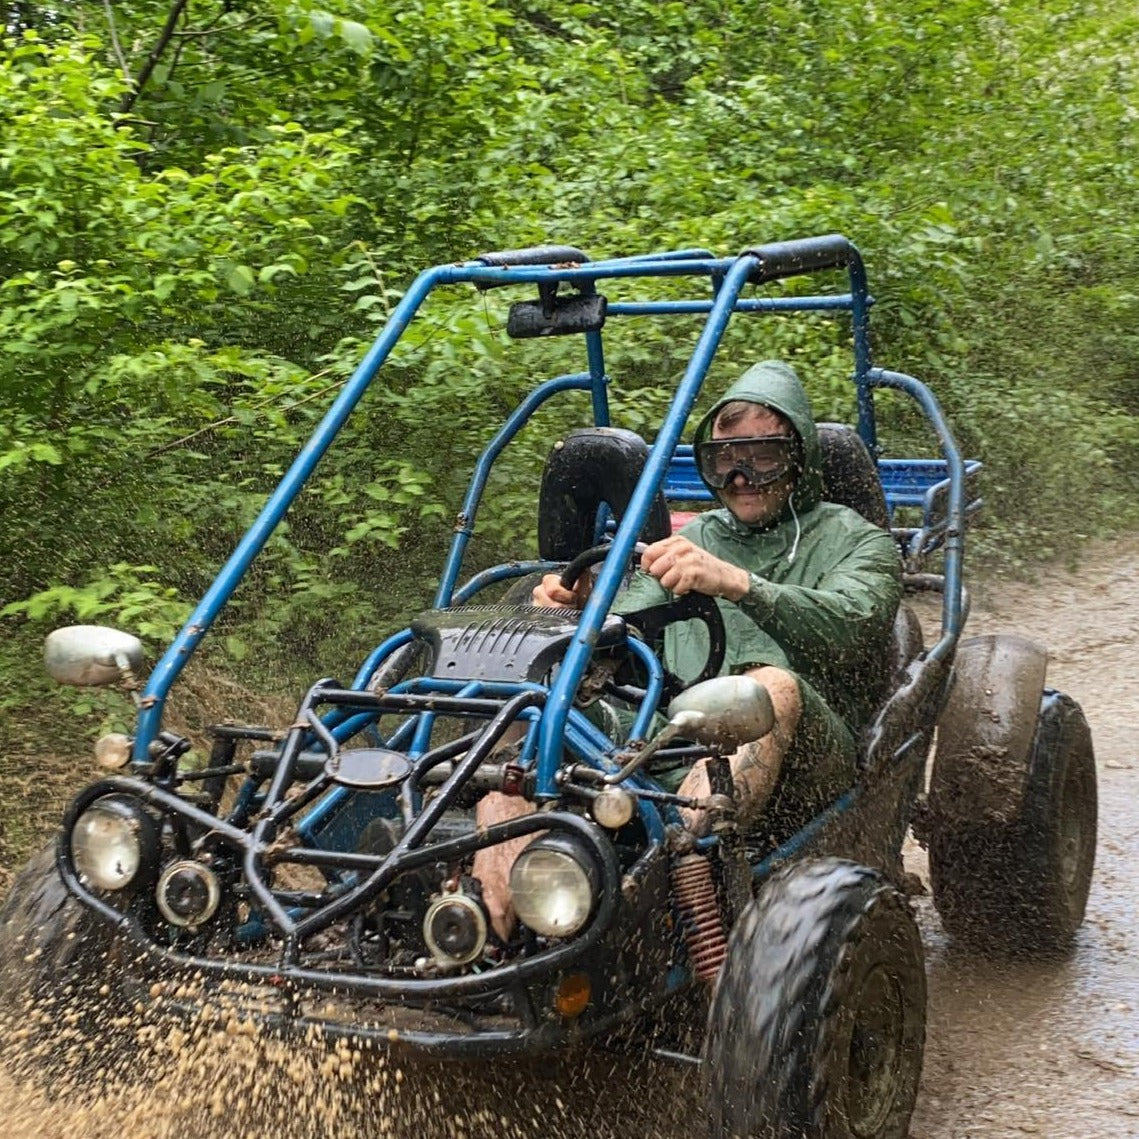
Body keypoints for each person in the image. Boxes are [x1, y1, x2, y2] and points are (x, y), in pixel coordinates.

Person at [473, 359, 903, 939]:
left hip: (810, 748)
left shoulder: (859, 540)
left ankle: (677, 862)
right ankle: (490, 903)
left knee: (765, 686)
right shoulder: (695, 537)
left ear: (799, 455)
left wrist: (738, 584)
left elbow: (855, 625)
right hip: (670, 724)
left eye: (762, 456)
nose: (741, 479)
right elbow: (629, 618)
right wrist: (577, 609)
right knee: (535, 710)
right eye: (725, 461)